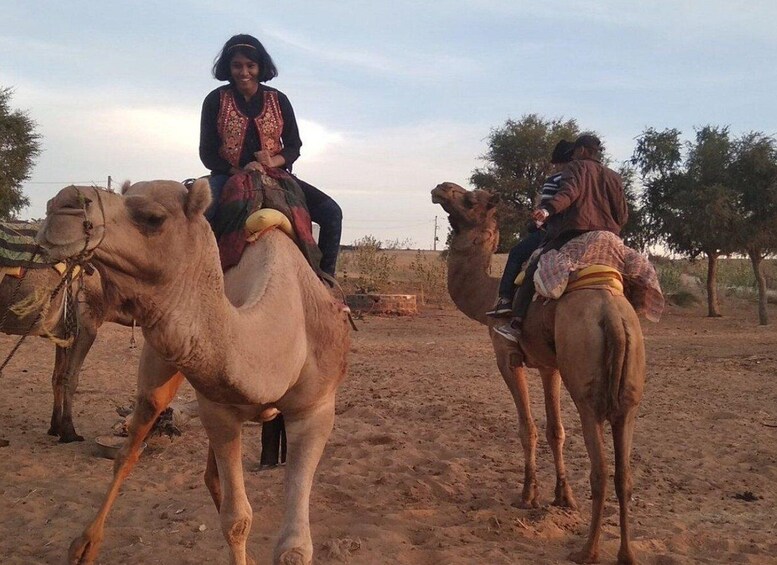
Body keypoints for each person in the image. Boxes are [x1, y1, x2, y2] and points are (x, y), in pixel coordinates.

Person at [199, 33, 343, 277]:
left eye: (250, 66)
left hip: (277, 175)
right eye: (237, 65)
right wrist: (241, 170)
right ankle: (195, 279)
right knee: (196, 217)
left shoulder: (279, 100)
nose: (244, 72)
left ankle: (326, 282)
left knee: (332, 213)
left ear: (260, 67)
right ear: (228, 67)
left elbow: (294, 145)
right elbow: (208, 153)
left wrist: (273, 161)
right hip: (228, 175)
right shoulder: (215, 100)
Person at [493, 134, 629, 342]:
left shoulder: (575, 168)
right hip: (609, 238)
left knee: (534, 266)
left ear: (582, 151)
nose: (574, 155)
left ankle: (516, 322)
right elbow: (622, 215)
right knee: (632, 273)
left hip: (576, 233)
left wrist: (547, 210)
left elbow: (569, 193)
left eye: (575, 151)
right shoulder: (614, 176)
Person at [486, 140, 575, 317]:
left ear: (558, 162)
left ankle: (505, 300)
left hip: (556, 234)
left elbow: (547, 214)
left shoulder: (556, 180)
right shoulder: (588, 181)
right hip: (590, 233)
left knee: (517, 253)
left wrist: (533, 226)